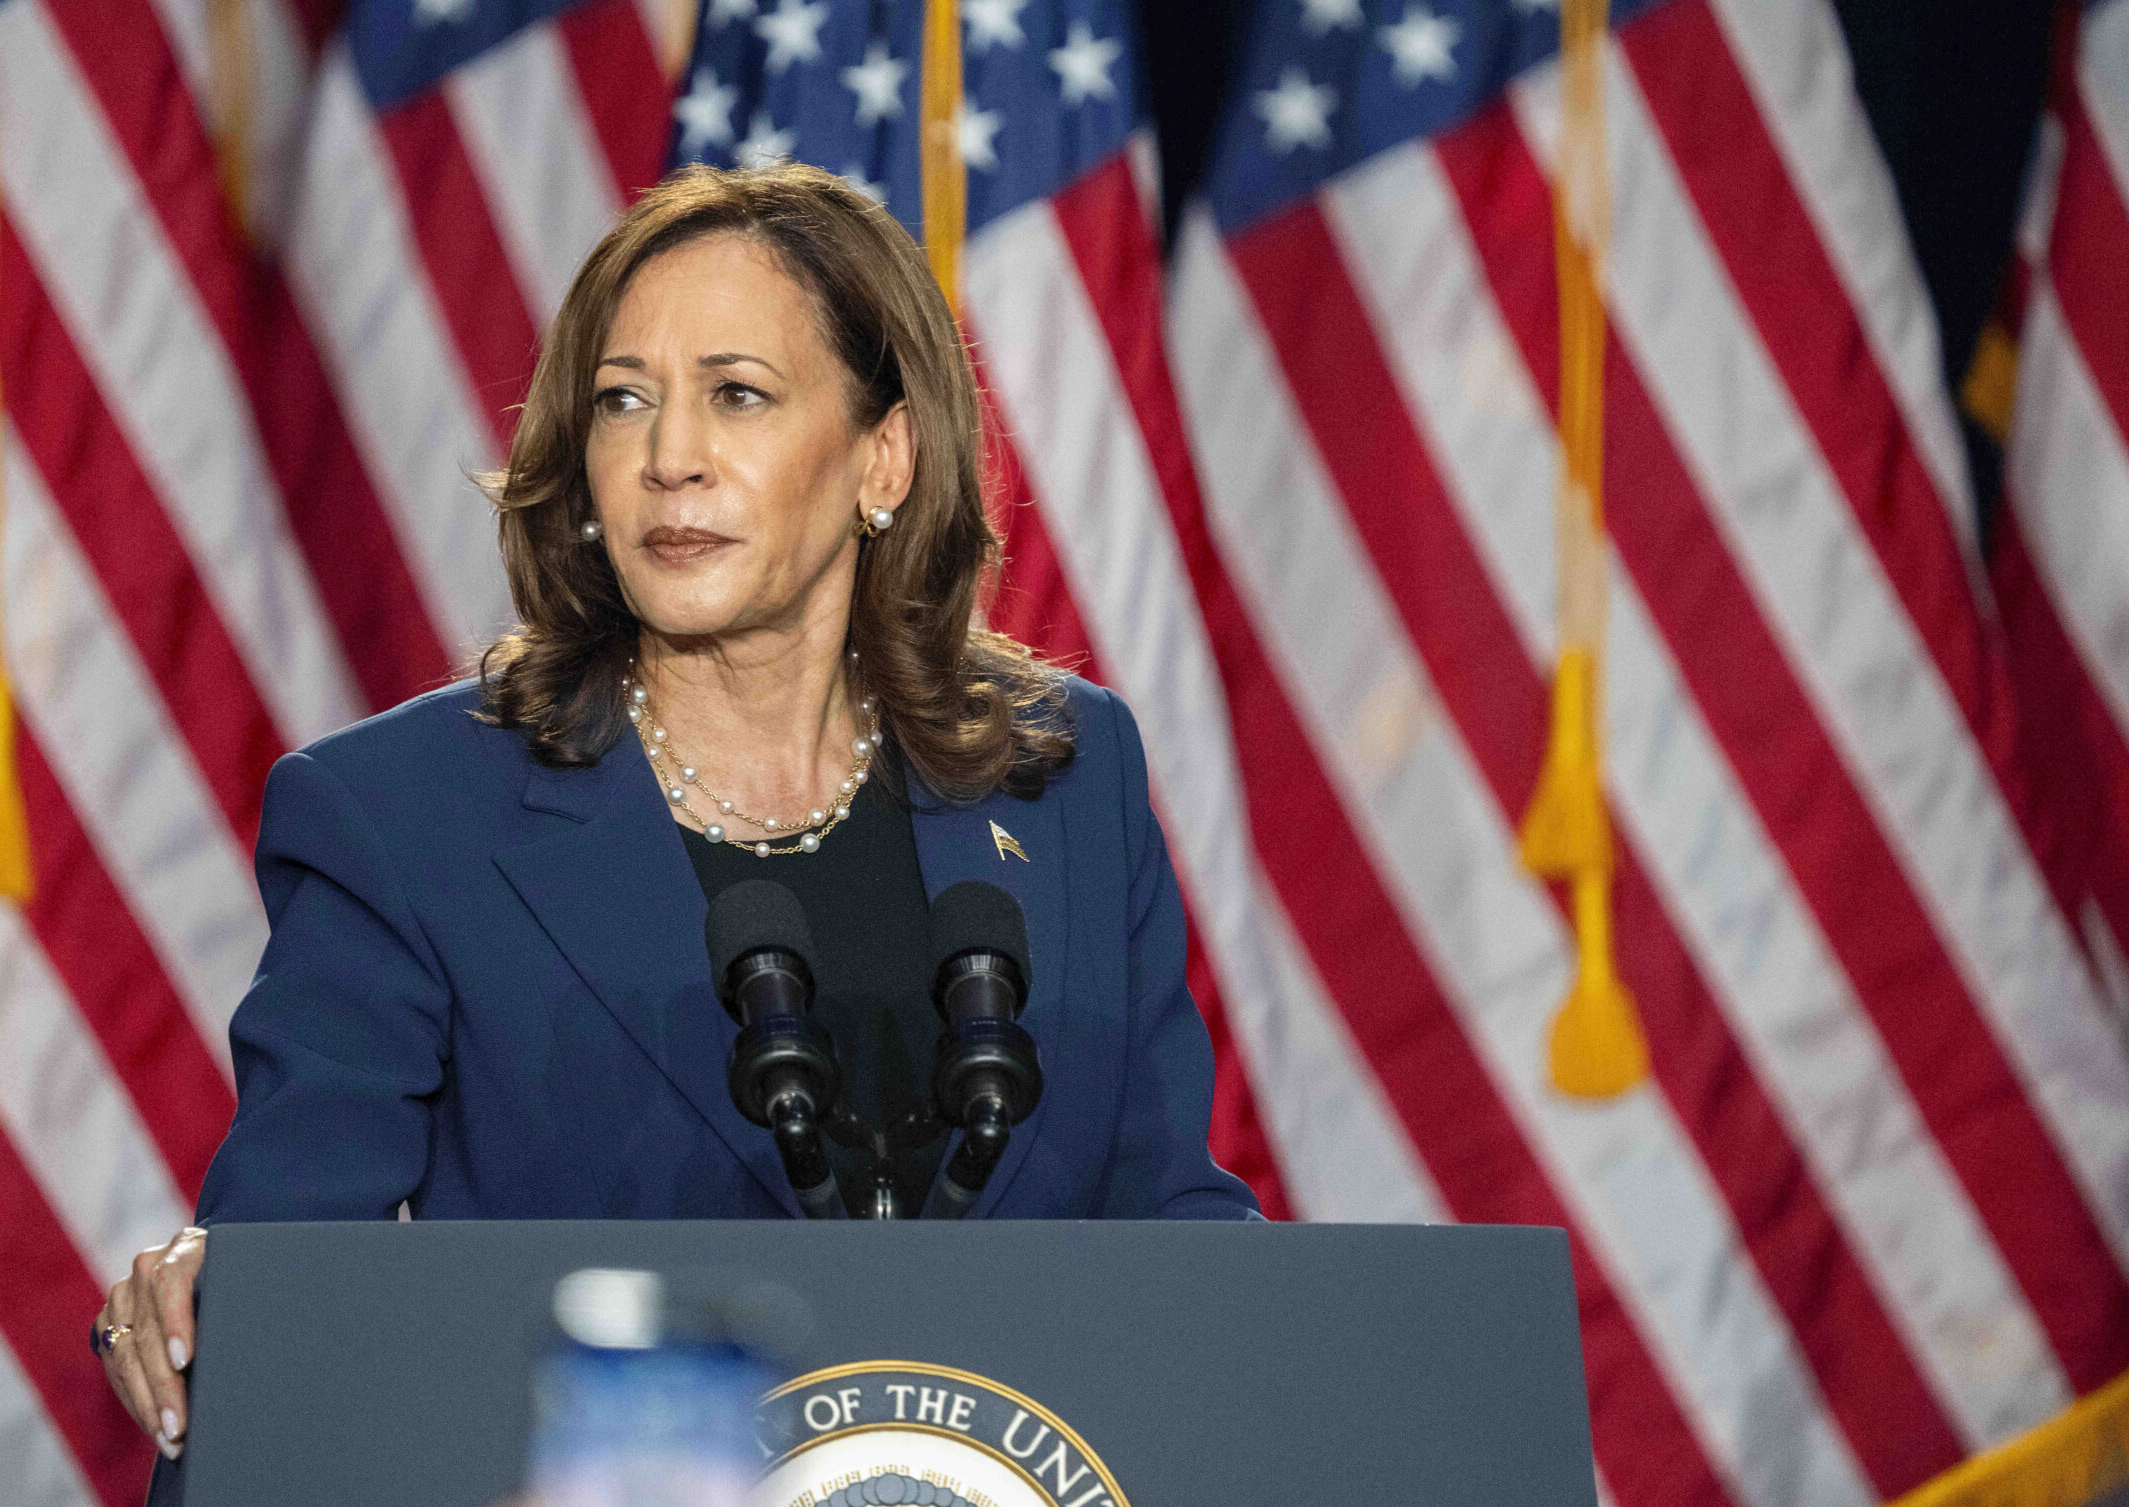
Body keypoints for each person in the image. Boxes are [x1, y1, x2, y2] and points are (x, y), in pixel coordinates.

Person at [91, 162, 1260, 1460]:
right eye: (623, 402)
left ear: (885, 458)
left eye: (737, 397)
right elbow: (293, 1287)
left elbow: (1171, 1227)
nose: (668, 461)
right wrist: (219, 1301)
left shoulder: (1063, 776)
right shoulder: (400, 819)